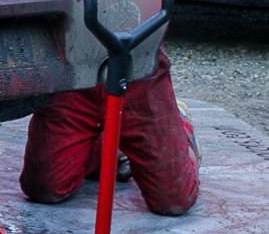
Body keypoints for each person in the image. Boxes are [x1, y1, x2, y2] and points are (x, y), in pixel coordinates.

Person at [19, 48, 200, 216]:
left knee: (173, 201)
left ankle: (180, 126)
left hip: (139, 71)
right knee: (44, 189)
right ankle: (110, 144)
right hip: (71, 72)